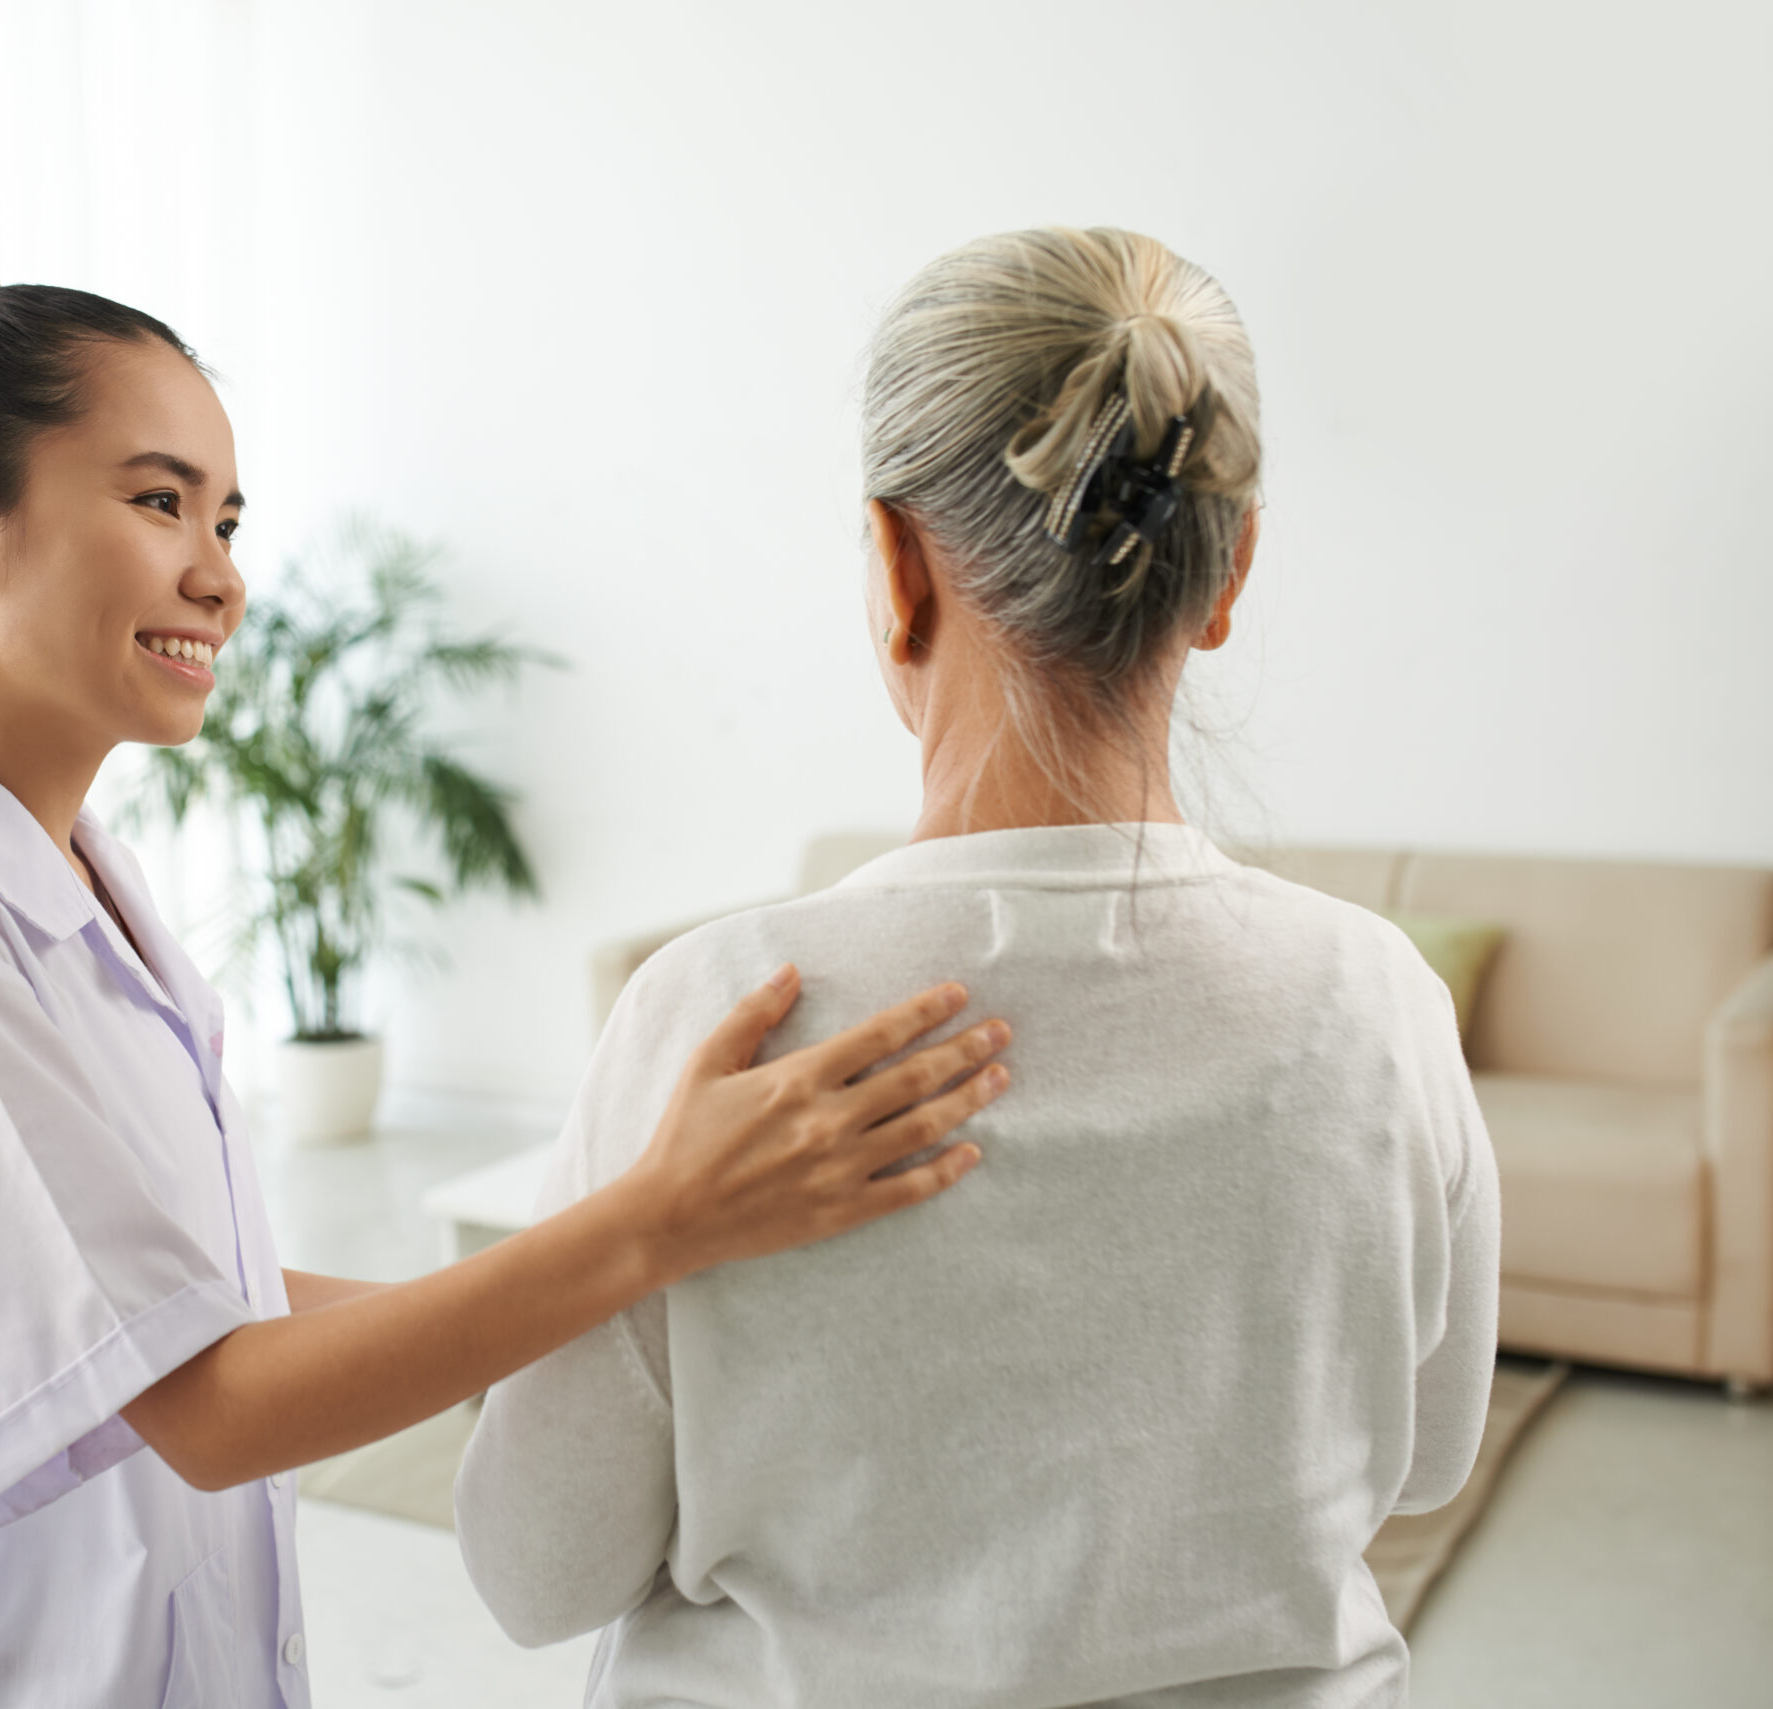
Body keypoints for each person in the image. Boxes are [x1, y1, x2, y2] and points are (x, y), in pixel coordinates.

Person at [0, 241, 1015, 1708]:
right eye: (158, 503)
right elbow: (211, 1405)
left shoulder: (82, 880)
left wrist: (596, 1326)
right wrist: (656, 1221)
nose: (220, 576)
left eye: (226, 518)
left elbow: (195, 1293)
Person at [453, 227, 1502, 1708]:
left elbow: (536, 1570)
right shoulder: (1380, 998)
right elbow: (1429, 1456)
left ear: (897, 565)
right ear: (1229, 571)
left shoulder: (720, 1014)